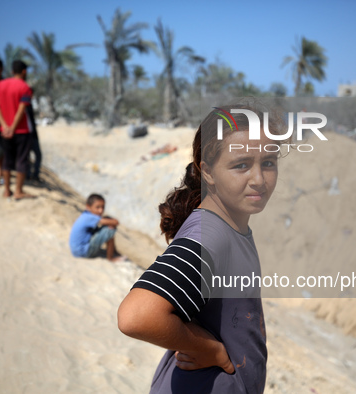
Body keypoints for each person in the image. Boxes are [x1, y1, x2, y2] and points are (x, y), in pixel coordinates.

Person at [118, 104, 284, 393]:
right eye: (241, 165)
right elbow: (137, 316)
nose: (259, 179)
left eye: (268, 163)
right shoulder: (212, 234)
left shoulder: (230, 225)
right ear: (207, 171)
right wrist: (210, 349)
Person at [0, 60, 34, 200]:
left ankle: (6, 190)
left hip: (4, 130)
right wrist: (13, 128)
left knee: (7, 160)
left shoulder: (0, 85)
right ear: (24, 72)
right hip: (21, 130)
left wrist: (5, 126)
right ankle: (18, 191)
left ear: (11, 71)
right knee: (22, 160)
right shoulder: (25, 87)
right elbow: (21, 110)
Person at [69, 194, 125, 261]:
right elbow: (116, 222)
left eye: (103, 207)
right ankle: (111, 258)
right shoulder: (89, 217)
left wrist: (109, 221)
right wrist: (111, 222)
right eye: (97, 207)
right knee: (110, 229)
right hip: (83, 252)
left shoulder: (86, 214)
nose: (101, 210)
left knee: (108, 224)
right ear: (88, 207)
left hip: (77, 251)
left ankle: (113, 251)